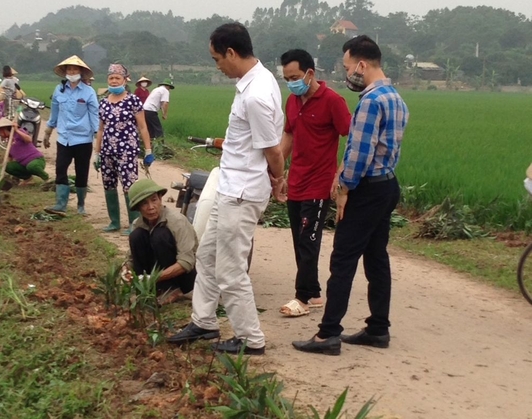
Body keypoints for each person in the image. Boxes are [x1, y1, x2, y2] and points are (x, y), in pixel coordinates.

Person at [167, 23, 286, 356]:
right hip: (230, 185)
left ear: (232, 53)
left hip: (243, 193)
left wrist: (278, 180)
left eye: (217, 58)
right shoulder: (251, 83)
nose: (217, 65)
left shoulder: (258, 94)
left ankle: (250, 338)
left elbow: (273, 150)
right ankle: (203, 321)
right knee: (207, 255)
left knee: (231, 267)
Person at [292, 35, 409, 356]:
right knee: (376, 256)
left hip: (366, 189)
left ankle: (327, 334)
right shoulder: (396, 98)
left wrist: (343, 187)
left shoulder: (370, 101)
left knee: (342, 259)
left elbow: (360, 153)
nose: (347, 74)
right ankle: (378, 328)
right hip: (386, 185)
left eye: (347, 67)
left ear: (361, 64)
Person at [278, 49, 352, 318]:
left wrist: (340, 175)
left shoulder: (333, 100)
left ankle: (302, 298)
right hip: (296, 181)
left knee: (309, 240)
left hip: (319, 184)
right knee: (299, 240)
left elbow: (351, 137)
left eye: (295, 76)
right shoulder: (293, 101)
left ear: (310, 73)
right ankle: (315, 292)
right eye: (287, 78)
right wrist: (277, 172)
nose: (291, 82)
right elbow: (288, 136)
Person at [94, 63, 155, 235]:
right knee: (109, 185)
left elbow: (142, 127)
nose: (113, 81)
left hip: (127, 151)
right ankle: (114, 222)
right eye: (111, 78)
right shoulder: (104, 103)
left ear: (124, 80)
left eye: (117, 78)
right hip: (107, 152)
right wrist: (97, 153)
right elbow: (100, 129)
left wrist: (148, 150)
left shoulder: (133, 101)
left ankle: (133, 223)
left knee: (129, 187)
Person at [125, 178, 198, 303]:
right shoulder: (139, 224)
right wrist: (125, 271)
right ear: (138, 208)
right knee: (136, 236)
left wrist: (154, 278)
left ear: (160, 199)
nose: (151, 207)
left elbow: (186, 262)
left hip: (185, 280)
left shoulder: (177, 221)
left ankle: (173, 290)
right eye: (144, 204)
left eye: (154, 200)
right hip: (155, 277)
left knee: (160, 235)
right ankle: (145, 289)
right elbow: (131, 258)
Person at [43, 55, 99, 216]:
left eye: (75, 69)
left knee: (82, 171)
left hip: (82, 139)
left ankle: (81, 205)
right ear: (65, 72)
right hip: (64, 138)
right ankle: (60, 204)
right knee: (61, 168)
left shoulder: (88, 92)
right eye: (69, 69)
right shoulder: (58, 90)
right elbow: (54, 113)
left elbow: (94, 116)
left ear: (81, 72)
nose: (72, 71)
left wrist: (97, 138)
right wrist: (47, 132)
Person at [0, 118, 49, 185]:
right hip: (24, 165)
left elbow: (29, 140)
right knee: (8, 166)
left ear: (3, 129)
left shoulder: (18, 132)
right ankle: (28, 178)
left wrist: (17, 130)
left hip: (36, 160)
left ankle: (46, 178)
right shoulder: (9, 142)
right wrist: (1, 168)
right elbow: (9, 158)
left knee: (32, 166)